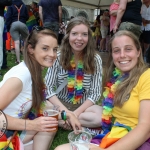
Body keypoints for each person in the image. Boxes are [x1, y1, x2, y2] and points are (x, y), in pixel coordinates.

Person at [55, 30, 150, 150]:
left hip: (135, 140)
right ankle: (65, 118)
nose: (122, 55)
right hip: (115, 133)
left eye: (128, 49)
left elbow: (146, 128)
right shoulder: (117, 77)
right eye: (116, 51)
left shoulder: (147, 76)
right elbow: (108, 111)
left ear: (138, 52)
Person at [0, 27, 81, 150]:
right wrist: (32, 124)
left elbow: (42, 110)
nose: (52, 54)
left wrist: (67, 115)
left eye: (54, 49)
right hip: (4, 135)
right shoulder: (21, 76)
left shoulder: (34, 72)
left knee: (49, 125)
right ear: (31, 49)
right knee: (46, 126)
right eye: (45, 48)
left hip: (12, 131)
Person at [45, 16, 103, 133]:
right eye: (75, 33)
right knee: (41, 105)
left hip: (83, 108)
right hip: (59, 105)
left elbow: (96, 93)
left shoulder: (95, 59)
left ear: (89, 37)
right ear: (68, 35)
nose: (79, 38)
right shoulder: (58, 56)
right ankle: (69, 121)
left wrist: (74, 114)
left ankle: (63, 121)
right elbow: (47, 88)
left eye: (84, 34)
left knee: (101, 116)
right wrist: (65, 112)